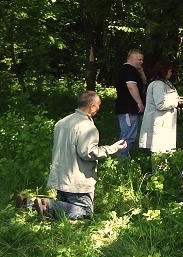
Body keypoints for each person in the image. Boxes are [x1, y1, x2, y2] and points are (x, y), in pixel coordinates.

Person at [33, 91, 126, 219]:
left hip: (61, 178)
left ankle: (28, 204)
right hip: (78, 181)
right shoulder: (88, 127)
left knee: (64, 209)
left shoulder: (61, 122)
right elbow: (88, 153)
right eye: (98, 106)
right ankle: (49, 205)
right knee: (85, 212)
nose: (98, 109)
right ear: (92, 106)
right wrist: (113, 148)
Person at [138, 60, 183, 153]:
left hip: (165, 122)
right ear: (164, 71)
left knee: (165, 150)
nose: (171, 72)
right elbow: (160, 104)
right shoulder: (158, 85)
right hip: (160, 122)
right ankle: (158, 167)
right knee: (160, 150)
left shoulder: (165, 83)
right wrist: (176, 102)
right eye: (169, 70)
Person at [114, 49, 146, 158]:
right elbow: (132, 87)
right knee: (127, 136)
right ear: (131, 58)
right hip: (127, 108)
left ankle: (123, 160)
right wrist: (139, 102)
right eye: (139, 59)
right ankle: (122, 162)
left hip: (129, 109)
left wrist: (141, 72)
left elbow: (144, 83)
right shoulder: (128, 69)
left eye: (142, 60)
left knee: (129, 135)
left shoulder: (132, 70)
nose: (141, 62)